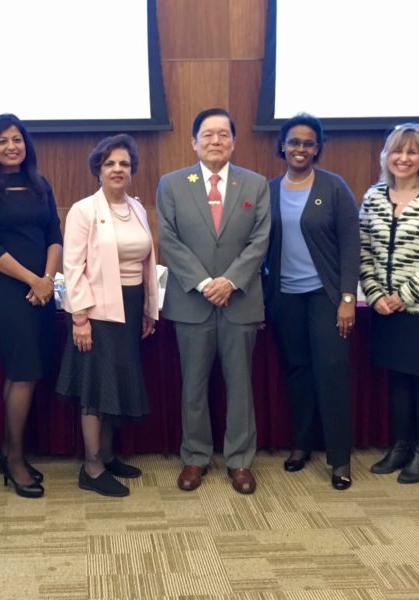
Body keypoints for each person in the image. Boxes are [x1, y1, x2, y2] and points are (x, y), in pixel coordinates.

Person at [157, 108, 270, 495]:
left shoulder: (255, 185)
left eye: (223, 134)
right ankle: (195, 456)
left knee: (240, 386)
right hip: (192, 301)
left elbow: (260, 241)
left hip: (241, 302)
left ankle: (240, 460)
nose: (216, 141)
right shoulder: (172, 184)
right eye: (207, 135)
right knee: (194, 384)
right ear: (194, 142)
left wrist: (230, 282)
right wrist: (206, 282)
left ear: (234, 142)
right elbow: (169, 240)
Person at [57, 134, 160, 497]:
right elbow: (73, 267)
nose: (118, 170)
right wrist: (80, 318)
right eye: (110, 164)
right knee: (95, 388)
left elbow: (148, 262)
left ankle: (108, 453)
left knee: (116, 381)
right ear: (97, 170)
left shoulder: (137, 208)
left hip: (131, 307)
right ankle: (92, 466)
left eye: (124, 164)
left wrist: (149, 308)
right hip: (97, 312)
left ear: (132, 171)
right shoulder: (84, 210)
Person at [262, 112, 359, 490]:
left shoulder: (335, 188)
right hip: (284, 298)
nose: (300, 148)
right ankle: (301, 444)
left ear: (318, 148)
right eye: (294, 142)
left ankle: (339, 459)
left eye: (308, 142)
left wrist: (347, 297)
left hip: (326, 297)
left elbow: (352, 246)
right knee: (297, 372)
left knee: (331, 372)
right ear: (282, 146)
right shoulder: (268, 190)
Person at [0, 114, 62, 498]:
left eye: (17, 140)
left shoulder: (40, 184)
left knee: (29, 371)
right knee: (22, 371)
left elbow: (55, 233)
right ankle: (16, 459)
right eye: (3, 140)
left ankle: (10, 451)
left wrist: (48, 280)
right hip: (10, 289)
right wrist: (32, 280)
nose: (11, 146)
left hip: (42, 288)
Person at [359, 124, 419, 484]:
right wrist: (374, 295)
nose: (404, 158)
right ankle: (399, 447)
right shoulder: (373, 196)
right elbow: (363, 252)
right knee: (397, 380)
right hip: (383, 309)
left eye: (412, 152)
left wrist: (404, 296)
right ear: (386, 155)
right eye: (397, 151)